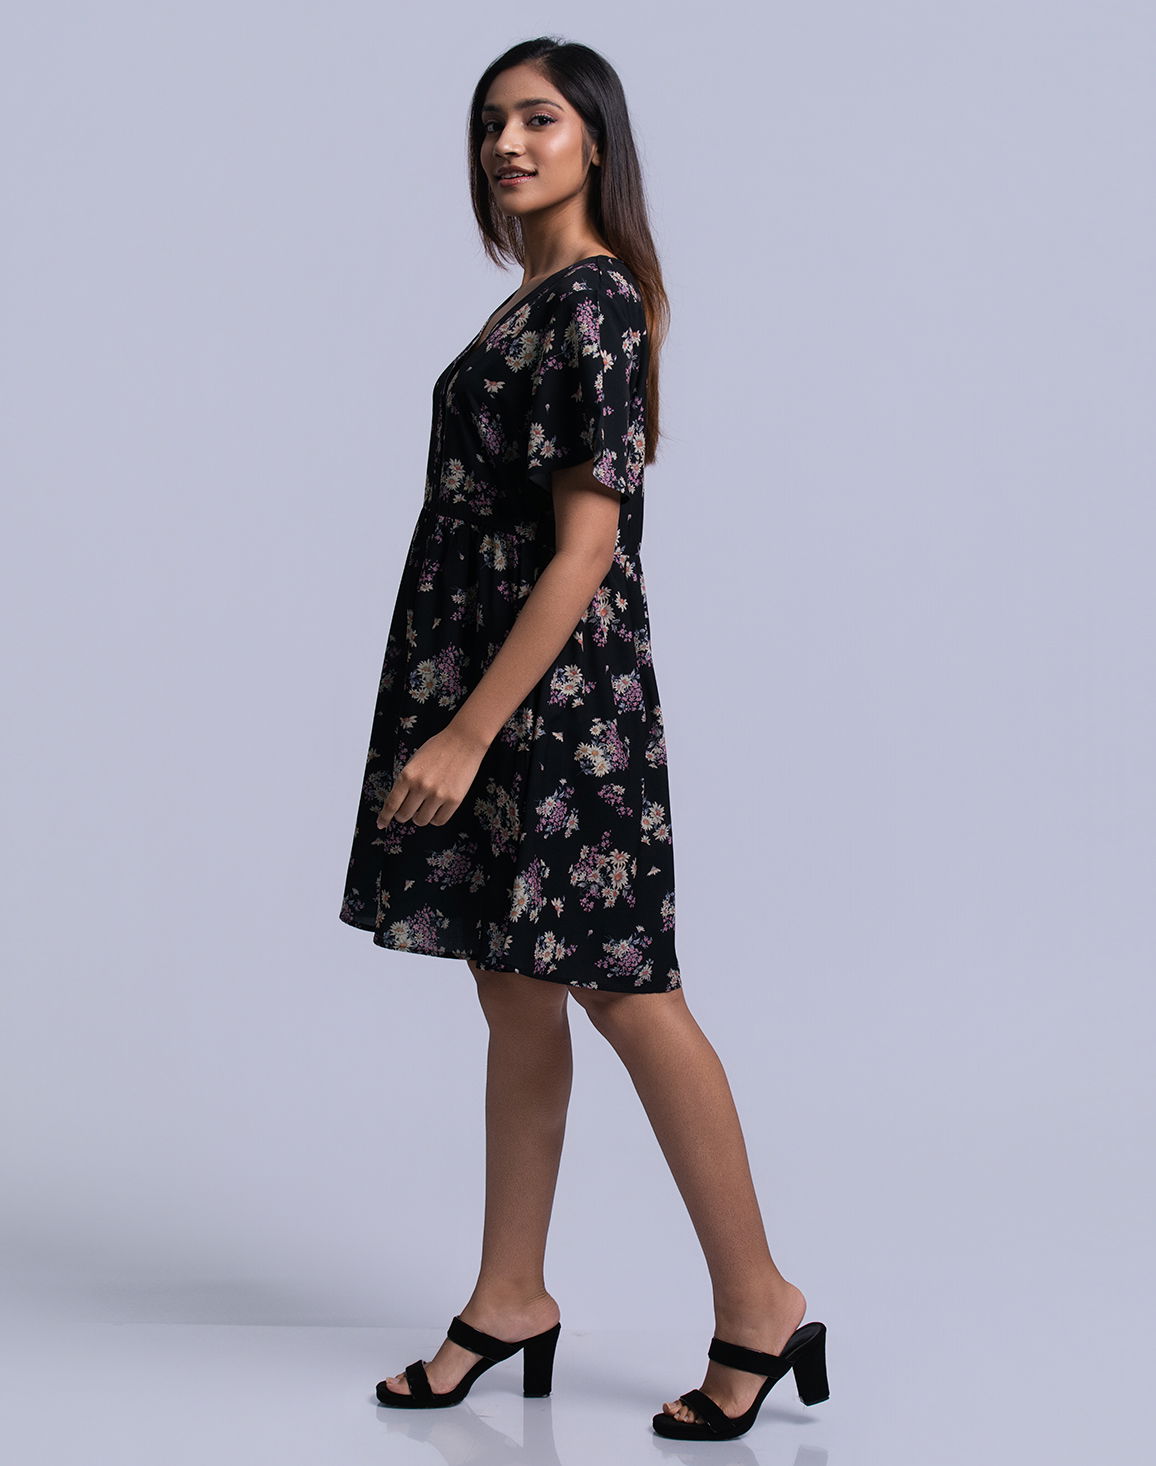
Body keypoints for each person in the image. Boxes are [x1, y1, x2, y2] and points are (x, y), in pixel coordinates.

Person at [338, 36, 829, 1443]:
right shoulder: (538, 302)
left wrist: (467, 732)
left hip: (555, 710)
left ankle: (762, 1302)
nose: (508, 142)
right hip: (496, 685)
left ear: (594, 139)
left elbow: (587, 546)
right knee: (513, 989)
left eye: (539, 118)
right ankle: (510, 1294)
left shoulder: (596, 301)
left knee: (627, 990)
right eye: (491, 122)